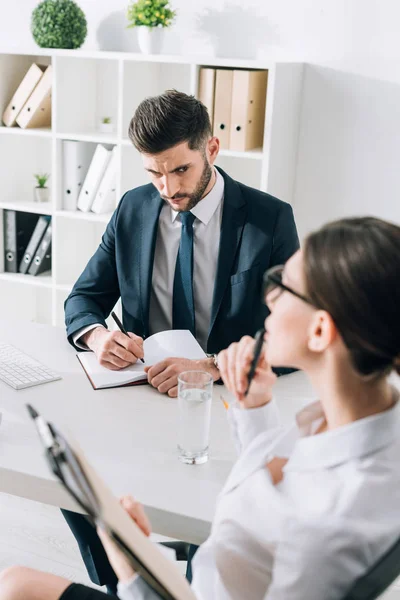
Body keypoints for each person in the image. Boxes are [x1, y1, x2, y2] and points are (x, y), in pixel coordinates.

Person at [1, 216, 400, 600]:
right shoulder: (351, 418)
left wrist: (133, 570)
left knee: (13, 585)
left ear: (319, 331)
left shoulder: (336, 522)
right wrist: (254, 406)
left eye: (283, 285)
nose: (269, 296)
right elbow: (276, 501)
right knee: (17, 580)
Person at [62, 89, 299, 593]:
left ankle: (190, 583)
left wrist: (213, 365)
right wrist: (99, 334)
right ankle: (125, 587)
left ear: (211, 149)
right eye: (154, 173)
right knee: (76, 484)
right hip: (138, 399)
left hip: (220, 409)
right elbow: (82, 298)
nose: (167, 187)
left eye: (180, 170)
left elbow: (292, 334)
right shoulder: (133, 209)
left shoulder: (269, 220)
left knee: (204, 521)